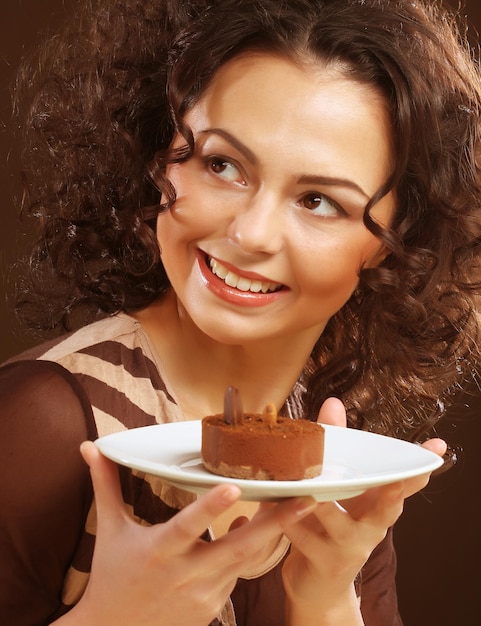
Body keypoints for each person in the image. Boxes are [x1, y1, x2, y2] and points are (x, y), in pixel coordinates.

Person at [1, 0, 480, 624]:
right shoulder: (51, 421)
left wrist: (326, 600)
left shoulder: (336, 464)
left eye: (318, 200)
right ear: (158, 156)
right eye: (221, 164)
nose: (251, 233)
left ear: (397, 246)